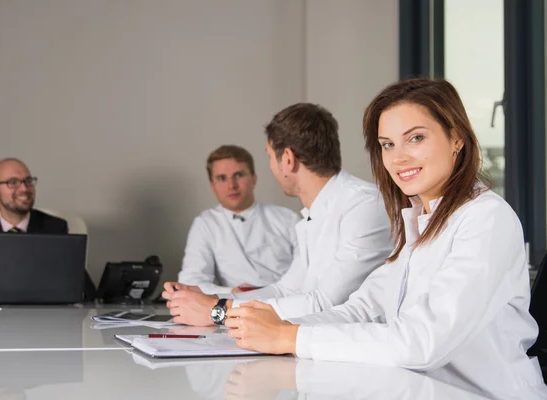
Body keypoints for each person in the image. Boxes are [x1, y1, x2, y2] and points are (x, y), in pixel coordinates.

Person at [224, 78, 547, 399]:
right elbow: (361, 309)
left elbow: (422, 341)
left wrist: (289, 337)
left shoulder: (486, 219)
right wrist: (277, 326)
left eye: (415, 138)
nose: (398, 158)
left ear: (457, 139)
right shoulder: (421, 221)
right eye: (388, 144)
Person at [164, 103, 393, 325]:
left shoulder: (365, 206)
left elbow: (326, 303)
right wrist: (214, 300)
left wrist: (219, 311)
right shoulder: (315, 215)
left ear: (288, 159)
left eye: (270, 157)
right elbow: (286, 289)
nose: (272, 166)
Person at [0, 158, 94, 298]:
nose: (24, 188)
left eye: (28, 181)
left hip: (41, 315)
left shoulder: (54, 226)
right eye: (13, 182)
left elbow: (78, 281)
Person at [176, 145, 300, 295]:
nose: (231, 185)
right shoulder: (205, 224)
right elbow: (191, 281)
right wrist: (233, 292)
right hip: (235, 309)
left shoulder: (287, 218)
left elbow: (309, 271)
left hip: (287, 304)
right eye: (222, 178)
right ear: (212, 186)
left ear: (253, 180)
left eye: (239, 175)